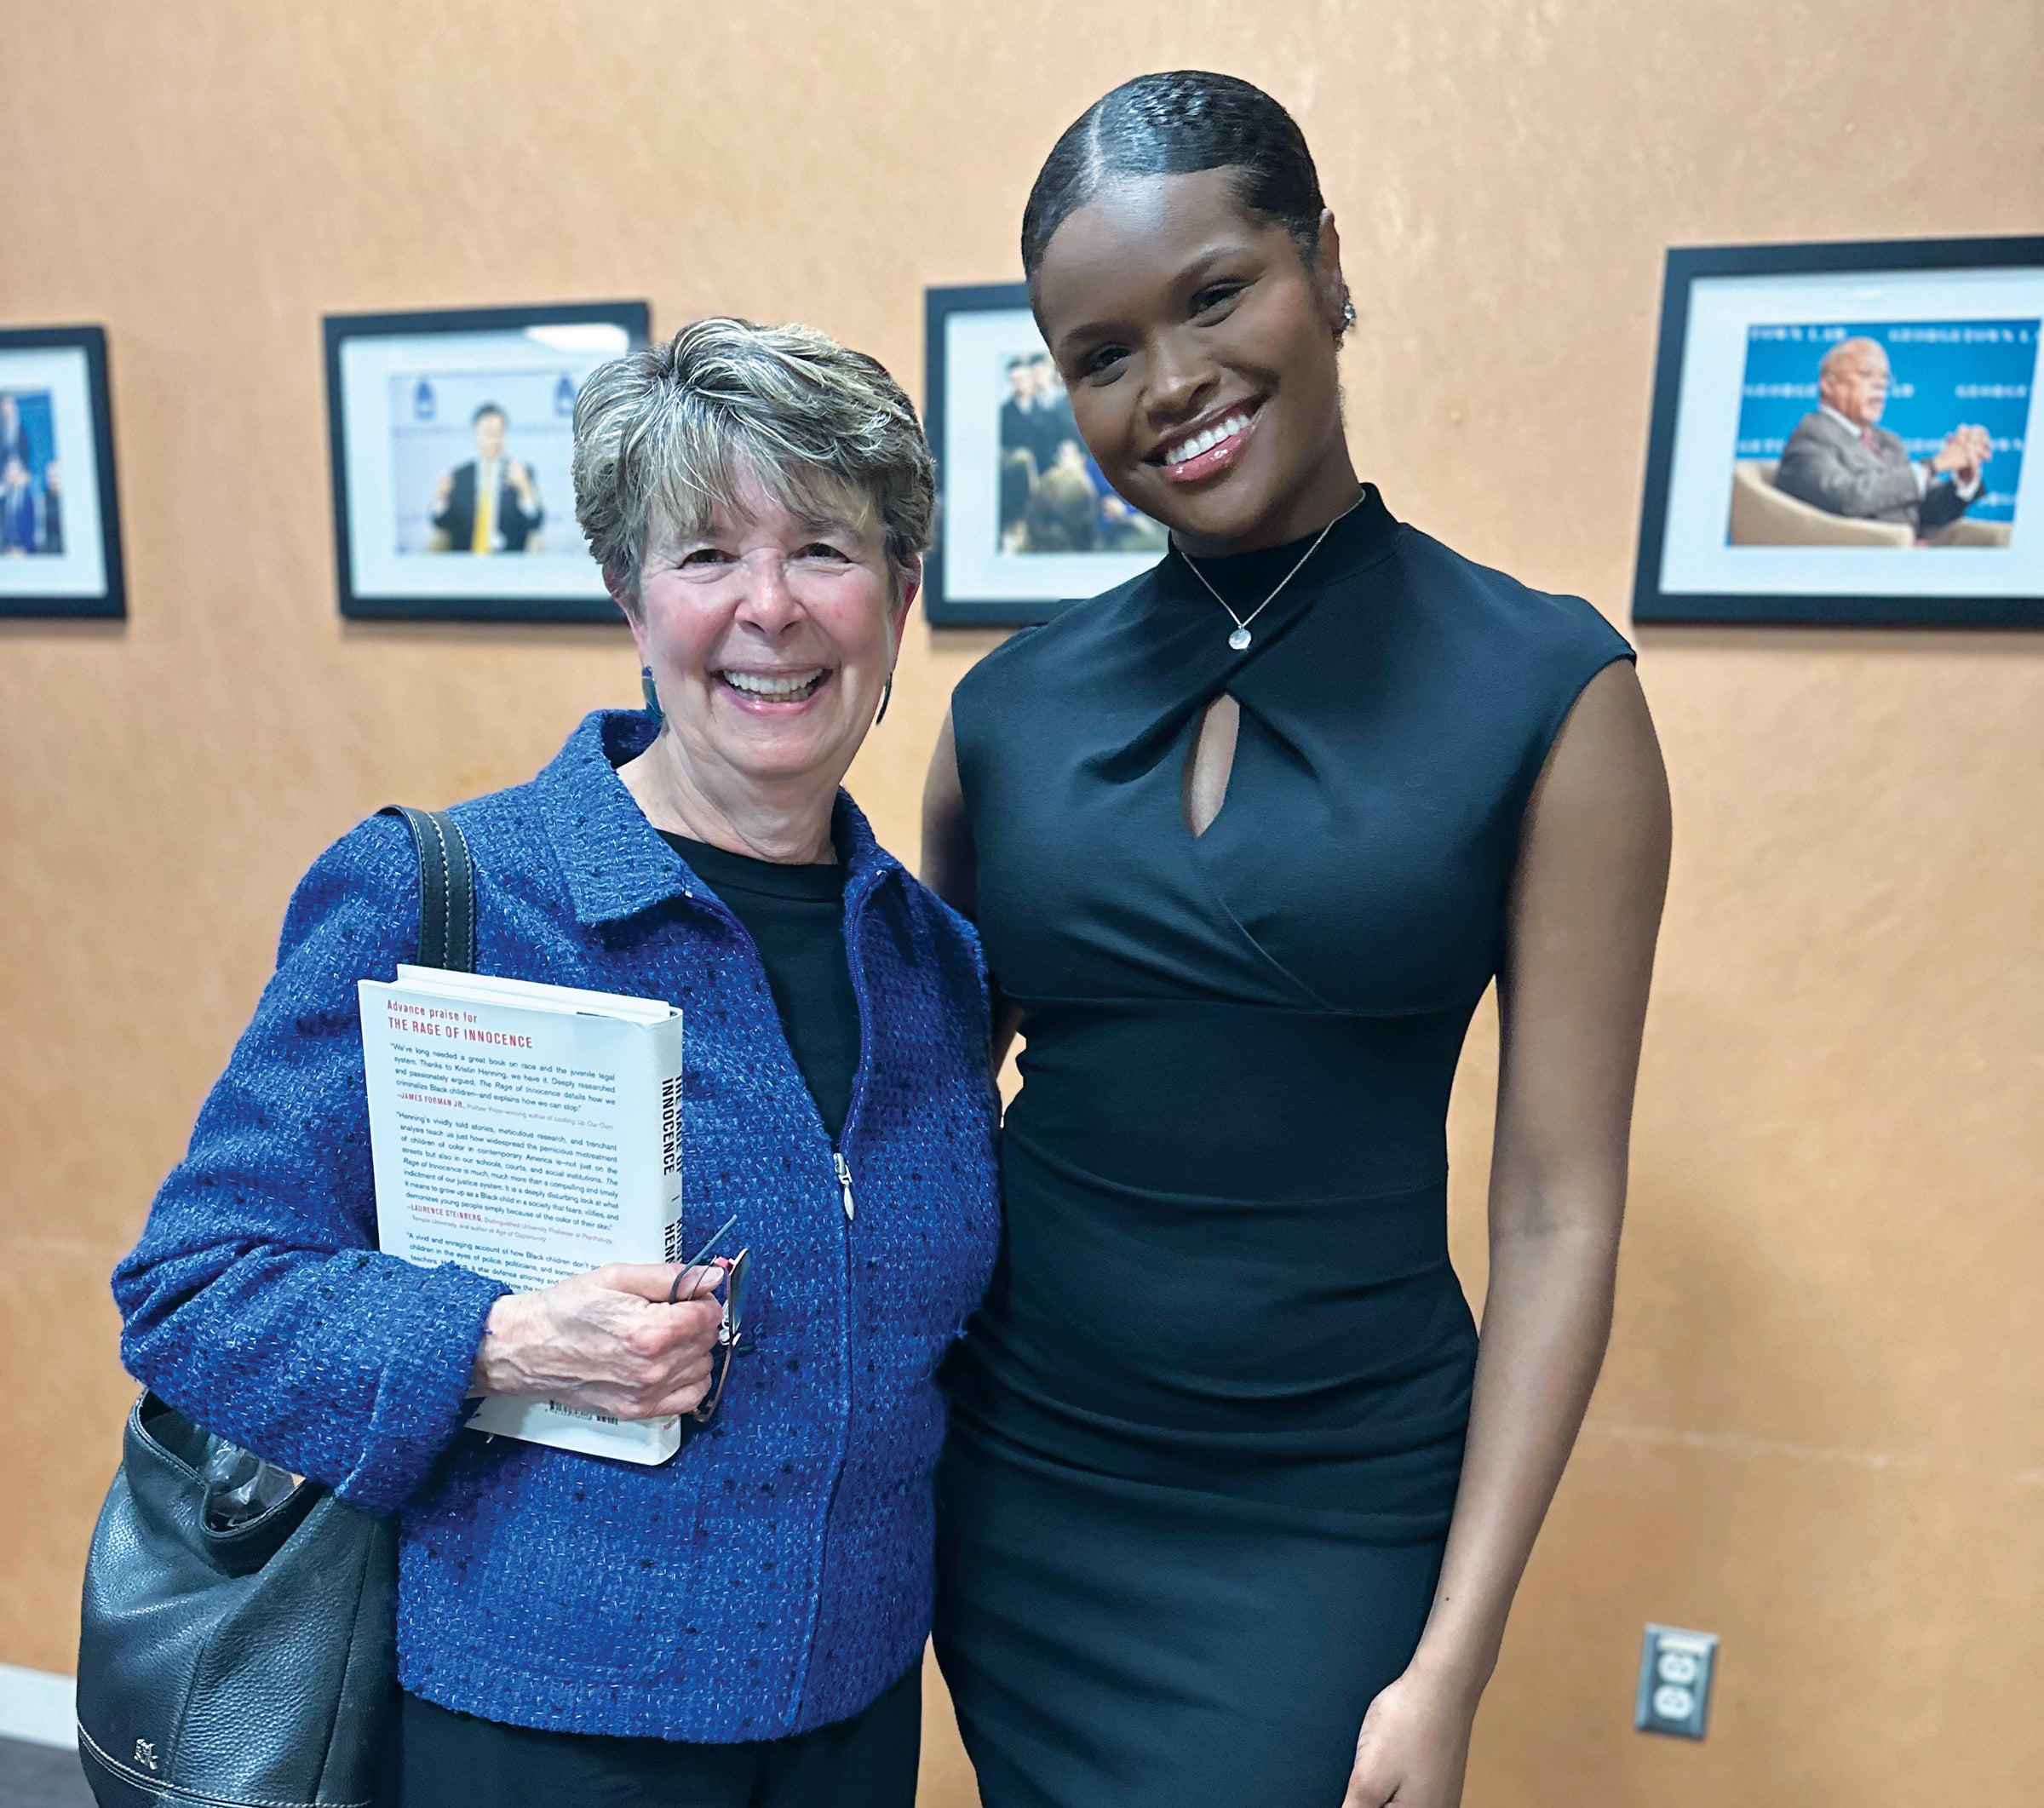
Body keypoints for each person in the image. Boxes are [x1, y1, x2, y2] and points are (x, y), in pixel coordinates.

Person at [114, 317, 1002, 1808]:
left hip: (853, 1723)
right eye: (707, 553)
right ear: (628, 596)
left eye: (826, 550)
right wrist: (502, 1343)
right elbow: (192, 1286)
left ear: (902, 594)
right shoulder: (444, 896)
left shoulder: (935, 966)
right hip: (542, 1728)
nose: (769, 609)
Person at [922, 72, 1671, 1808]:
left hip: (1336, 1493)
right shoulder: (1006, 712)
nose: (1169, 382)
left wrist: (1452, 1659)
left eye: (1213, 295)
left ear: (1325, 265)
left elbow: (1560, 1202)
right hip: (1023, 1478)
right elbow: (930, 1116)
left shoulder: (1550, 692)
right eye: (1101, 353)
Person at [1772, 336, 1989, 536]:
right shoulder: (1811, 436)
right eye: (1866, 374)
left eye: (1885, 378)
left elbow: (1924, 512)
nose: (1880, 385)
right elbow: (1847, 499)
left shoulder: (1888, 441)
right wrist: (1933, 465)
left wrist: (1962, 480)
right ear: (1828, 385)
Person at [431, 401, 544, 553]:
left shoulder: (520, 472)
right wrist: (441, 499)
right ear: (475, 434)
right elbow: (442, 523)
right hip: (465, 562)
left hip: (510, 563)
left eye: (499, 432)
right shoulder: (459, 476)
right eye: (488, 432)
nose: (494, 439)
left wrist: (525, 490)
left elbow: (535, 522)